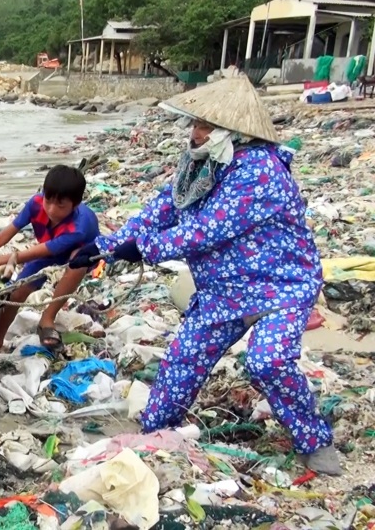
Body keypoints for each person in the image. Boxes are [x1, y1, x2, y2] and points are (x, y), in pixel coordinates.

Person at [68, 74, 342, 476]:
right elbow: (163, 208)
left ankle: (315, 442)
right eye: (195, 124)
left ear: (233, 131)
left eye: (204, 126)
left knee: (267, 361)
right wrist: (106, 246)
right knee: (183, 358)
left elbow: (206, 229)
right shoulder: (202, 164)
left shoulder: (259, 171)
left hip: (281, 285)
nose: (194, 133)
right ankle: (158, 430)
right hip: (225, 290)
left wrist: (142, 249)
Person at [0, 164, 100, 358]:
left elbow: (27, 255)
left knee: (77, 262)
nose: (52, 210)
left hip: (81, 251)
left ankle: (47, 318)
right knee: (16, 292)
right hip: (49, 247)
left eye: (61, 206)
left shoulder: (78, 227)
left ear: (75, 205)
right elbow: (4, 236)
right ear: (43, 194)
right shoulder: (36, 204)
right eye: (48, 201)